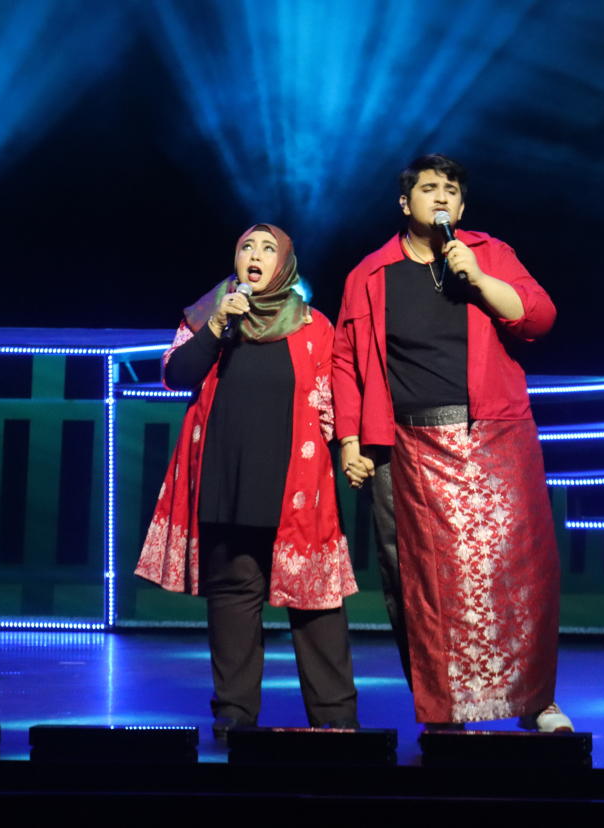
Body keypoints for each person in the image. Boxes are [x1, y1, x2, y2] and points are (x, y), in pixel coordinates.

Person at [331, 154, 570, 731]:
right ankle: (443, 710)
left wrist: (480, 280)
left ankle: (535, 700)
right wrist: (349, 440)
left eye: (451, 191)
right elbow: (344, 362)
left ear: (462, 208)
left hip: (492, 434)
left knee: (517, 570)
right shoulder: (369, 274)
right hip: (404, 444)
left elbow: (539, 319)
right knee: (416, 582)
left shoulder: (489, 255)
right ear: (405, 202)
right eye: (429, 188)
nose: (441, 198)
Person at [136, 223, 359, 738]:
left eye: (267, 249)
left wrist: (349, 445)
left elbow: (330, 397)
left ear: (285, 263)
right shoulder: (208, 314)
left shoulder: (312, 325)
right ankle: (234, 713)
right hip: (224, 476)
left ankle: (336, 716)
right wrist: (217, 325)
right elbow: (176, 374)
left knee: (316, 596)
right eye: (246, 248)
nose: (255, 256)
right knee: (233, 594)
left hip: (297, 480)